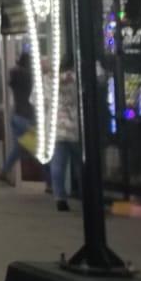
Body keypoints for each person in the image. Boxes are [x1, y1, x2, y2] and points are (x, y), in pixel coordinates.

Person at [51, 56, 82, 212]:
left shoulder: (51, 81)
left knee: (58, 165)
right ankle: (86, 194)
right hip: (76, 127)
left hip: (57, 128)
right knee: (81, 164)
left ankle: (60, 198)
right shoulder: (77, 78)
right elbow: (101, 76)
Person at [0, 52, 36, 180]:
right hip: (26, 117)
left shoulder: (15, 75)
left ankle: (4, 171)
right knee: (36, 148)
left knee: (20, 148)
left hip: (16, 115)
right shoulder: (29, 77)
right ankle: (50, 182)